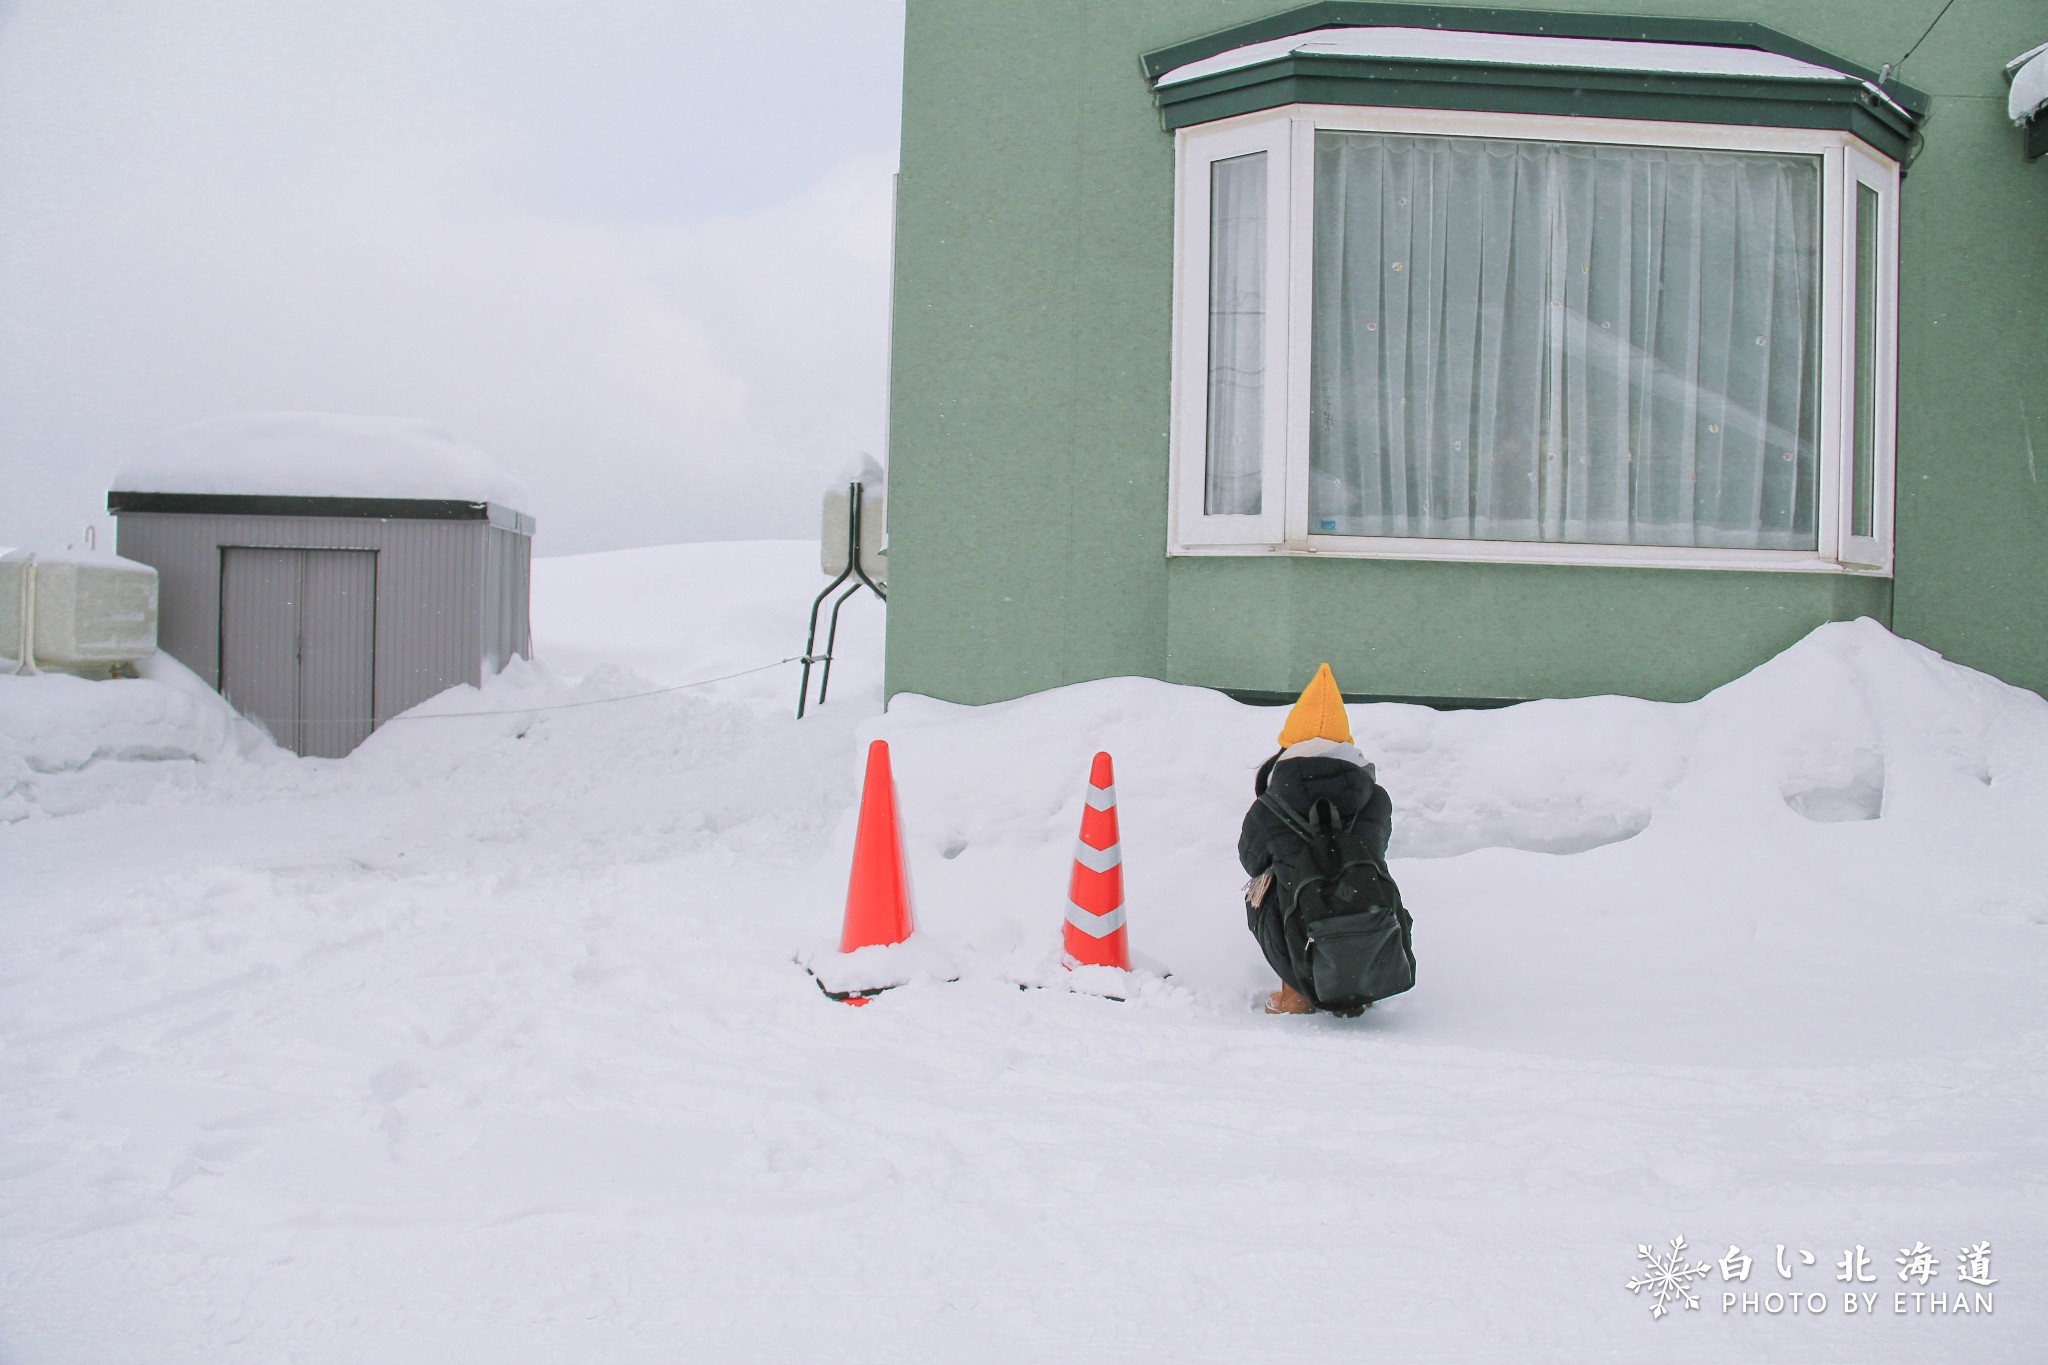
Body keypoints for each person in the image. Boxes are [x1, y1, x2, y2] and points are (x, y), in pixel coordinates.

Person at [1238, 663, 1400, 1016]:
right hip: (1367, 924)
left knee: (1264, 888)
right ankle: (1359, 982)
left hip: (1300, 932)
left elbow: (1251, 860)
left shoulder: (1272, 801)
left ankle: (1296, 993)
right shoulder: (1375, 797)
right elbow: (1377, 850)